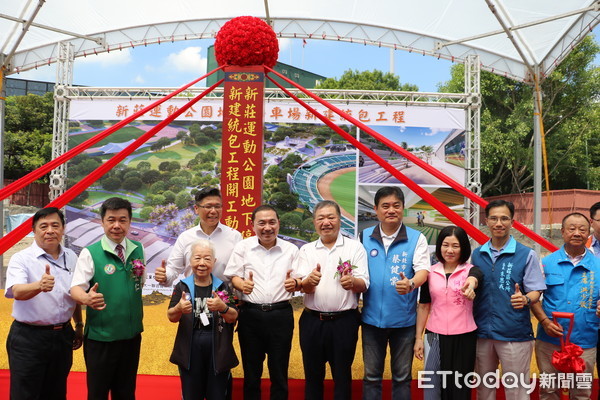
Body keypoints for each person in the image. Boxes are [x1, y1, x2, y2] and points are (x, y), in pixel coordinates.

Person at [359, 186, 431, 399]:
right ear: (376, 209)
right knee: (371, 377)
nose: (391, 210)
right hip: (371, 322)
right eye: (385, 206)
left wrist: (410, 284)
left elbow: (423, 271)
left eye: (396, 206)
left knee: (402, 377)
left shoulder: (417, 238)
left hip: (404, 323)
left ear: (403, 208)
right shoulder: (363, 237)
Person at [70, 197, 145, 400]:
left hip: (131, 338)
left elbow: (139, 284)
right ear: (102, 222)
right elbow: (75, 288)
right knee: (98, 393)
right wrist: (86, 298)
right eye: (111, 220)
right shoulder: (90, 253)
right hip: (101, 339)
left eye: (123, 220)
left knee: (126, 392)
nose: (117, 225)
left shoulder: (138, 249)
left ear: (130, 222)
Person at [5, 207, 84, 400]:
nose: (50, 230)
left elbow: (73, 294)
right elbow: (17, 292)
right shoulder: (21, 258)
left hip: (63, 336)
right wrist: (39, 285)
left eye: (55, 225)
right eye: (44, 226)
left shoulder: (72, 257)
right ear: (34, 231)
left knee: (56, 392)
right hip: (29, 338)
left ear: (63, 229)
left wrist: (79, 325)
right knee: (26, 394)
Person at [472, 199, 546, 400]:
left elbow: (536, 290)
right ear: (486, 221)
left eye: (504, 218)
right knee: (483, 389)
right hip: (482, 333)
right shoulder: (477, 255)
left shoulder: (526, 254)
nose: (499, 223)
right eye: (494, 218)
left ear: (512, 222)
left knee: (517, 391)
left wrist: (525, 299)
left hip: (514, 334)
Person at [223, 204, 299, 400]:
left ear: (279, 224)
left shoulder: (291, 249)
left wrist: (296, 282)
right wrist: (242, 285)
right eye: (262, 223)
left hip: (281, 315)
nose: (267, 227)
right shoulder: (243, 247)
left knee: (279, 371)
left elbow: (301, 281)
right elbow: (233, 276)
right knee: (251, 372)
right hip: (251, 316)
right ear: (253, 225)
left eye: (272, 222)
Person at [296, 200, 369, 400]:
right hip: (312, 321)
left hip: (344, 322)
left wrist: (352, 282)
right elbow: (302, 286)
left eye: (331, 217)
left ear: (339, 220)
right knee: (312, 376)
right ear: (314, 222)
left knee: (343, 376)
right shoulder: (306, 250)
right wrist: (309, 282)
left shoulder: (355, 248)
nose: (326, 222)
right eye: (321, 218)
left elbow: (364, 284)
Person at [532, 213, 600, 400]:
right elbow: (534, 297)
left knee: (581, 392)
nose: (577, 233)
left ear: (589, 233)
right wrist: (544, 322)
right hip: (549, 340)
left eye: (582, 229)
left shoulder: (599, 265)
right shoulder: (545, 263)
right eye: (572, 229)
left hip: (584, 340)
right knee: (548, 390)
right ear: (562, 232)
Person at [414, 225, 482, 400]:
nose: (449, 250)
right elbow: (423, 306)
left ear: (463, 248)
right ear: (439, 246)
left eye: (455, 246)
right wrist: (419, 338)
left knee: (459, 387)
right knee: (433, 386)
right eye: (445, 245)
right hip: (434, 336)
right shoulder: (430, 273)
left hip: (464, 336)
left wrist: (472, 285)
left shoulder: (471, 271)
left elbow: (476, 278)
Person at [168, 239, 239, 400]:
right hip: (190, 346)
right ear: (190, 261)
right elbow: (171, 316)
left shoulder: (222, 287)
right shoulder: (182, 287)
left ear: (214, 262)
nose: (202, 263)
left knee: (217, 394)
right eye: (197, 258)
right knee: (191, 394)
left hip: (217, 345)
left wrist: (223, 307)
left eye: (207, 259)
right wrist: (179, 308)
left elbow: (233, 317)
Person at [155, 187, 242, 286]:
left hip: (223, 298)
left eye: (217, 206)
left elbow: (239, 273)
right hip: (192, 297)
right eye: (208, 206)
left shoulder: (234, 236)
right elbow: (173, 268)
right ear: (196, 209)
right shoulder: (185, 237)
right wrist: (165, 276)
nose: (213, 211)